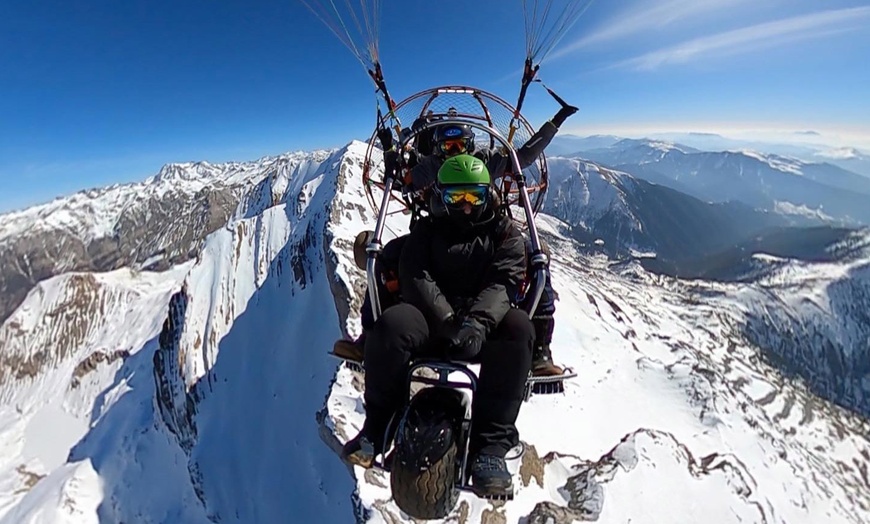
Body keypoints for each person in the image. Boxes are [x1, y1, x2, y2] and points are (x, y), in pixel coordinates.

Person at [333, 105, 576, 375]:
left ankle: (540, 351)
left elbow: (523, 156)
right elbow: (403, 180)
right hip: (438, 230)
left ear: (471, 144)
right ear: (439, 148)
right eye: (449, 146)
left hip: (484, 230)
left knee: (536, 257)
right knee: (386, 257)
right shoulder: (429, 166)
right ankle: (369, 338)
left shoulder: (484, 161)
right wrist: (391, 150)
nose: (455, 151)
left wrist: (553, 123)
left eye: (461, 144)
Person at [342, 155, 533, 497]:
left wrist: (475, 323)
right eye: (455, 198)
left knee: (517, 328)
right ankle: (376, 428)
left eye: (474, 196)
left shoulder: (504, 234)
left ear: (488, 194)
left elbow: (504, 282)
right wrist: (446, 321)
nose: (466, 207)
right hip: (433, 321)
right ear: (439, 197)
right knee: (393, 324)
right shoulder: (426, 232)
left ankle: (489, 448)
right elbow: (415, 275)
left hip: (481, 325)